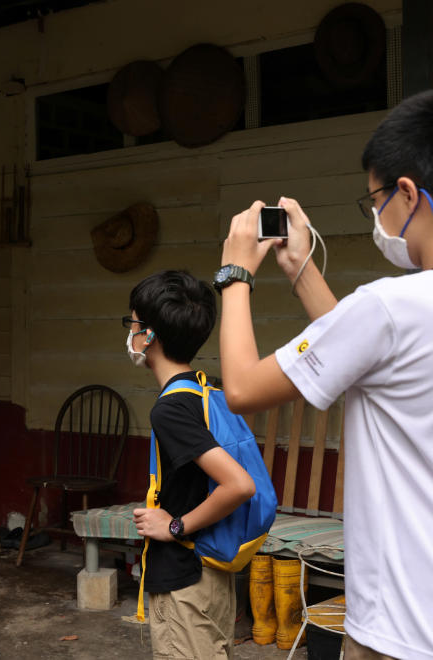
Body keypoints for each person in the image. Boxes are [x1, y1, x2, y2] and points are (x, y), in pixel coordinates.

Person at [216, 90, 433, 659]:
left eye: (375, 200)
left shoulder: (390, 305)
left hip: (398, 627)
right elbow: (366, 351)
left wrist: (235, 270)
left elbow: (239, 388)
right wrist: (300, 266)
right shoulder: (395, 317)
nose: (378, 217)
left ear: (407, 194)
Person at [128, 271, 256, 659]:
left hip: (186, 578)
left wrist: (173, 525)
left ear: (149, 335)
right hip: (212, 570)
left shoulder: (171, 409)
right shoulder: (205, 388)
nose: (129, 333)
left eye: (131, 323)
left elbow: (239, 484)